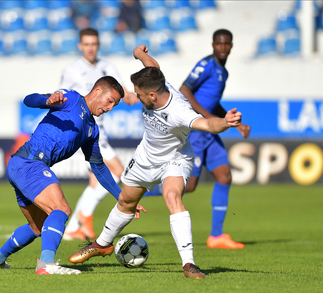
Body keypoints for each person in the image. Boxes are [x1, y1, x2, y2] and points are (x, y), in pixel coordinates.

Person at [67, 44, 242, 279]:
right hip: (144, 158)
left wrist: (225, 121)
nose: (136, 97)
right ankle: (102, 244)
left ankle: (189, 264)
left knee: (172, 196)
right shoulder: (156, 84)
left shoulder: (179, 109)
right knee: (126, 202)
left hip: (175, 159)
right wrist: (139, 54)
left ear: (152, 95)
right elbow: (153, 66)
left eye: (138, 95)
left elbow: (208, 124)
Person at [0, 76, 129, 275]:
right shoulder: (72, 99)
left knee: (38, 227)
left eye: (115, 105)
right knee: (61, 209)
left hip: (21, 166)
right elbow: (29, 99)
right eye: (110, 101)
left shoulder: (92, 129)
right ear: (98, 91)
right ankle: (47, 265)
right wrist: (46, 101)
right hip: (29, 163)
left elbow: (99, 167)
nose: (110, 108)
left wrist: (122, 198)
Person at [60, 28, 137, 241]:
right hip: (86, 130)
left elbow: (122, 90)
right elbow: (63, 97)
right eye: (86, 44)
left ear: (98, 45)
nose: (90, 48)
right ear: (80, 46)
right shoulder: (72, 70)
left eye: (94, 44)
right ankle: (85, 216)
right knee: (120, 172)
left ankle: (74, 226)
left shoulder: (107, 67)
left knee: (95, 181)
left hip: (99, 130)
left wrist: (131, 96)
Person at [180, 29, 250, 249]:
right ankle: (136, 189)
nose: (222, 47)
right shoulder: (207, 64)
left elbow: (213, 103)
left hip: (211, 131)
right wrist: (209, 119)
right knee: (189, 186)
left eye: (226, 44)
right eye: (219, 43)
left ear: (231, 46)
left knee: (224, 176)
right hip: (199, 131)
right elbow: (184, 89)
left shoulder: (223, 72)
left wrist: (233, 122)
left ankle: (216, 236)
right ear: (213, 45)